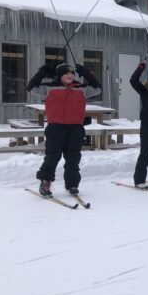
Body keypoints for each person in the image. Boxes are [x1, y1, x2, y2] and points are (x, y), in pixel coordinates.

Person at [27, 62, 102, 196]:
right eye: (66, 73)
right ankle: (45, 182)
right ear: (60, 75)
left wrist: (86, 74)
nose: (70, 75)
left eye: (72, 73)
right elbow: (31, 88)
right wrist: (41, 73)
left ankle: (72, 184)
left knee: (73, 158)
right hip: (56, 127)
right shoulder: (49, 87)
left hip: (75, 128)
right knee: (52, 156)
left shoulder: (81, 88)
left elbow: (98, 88)